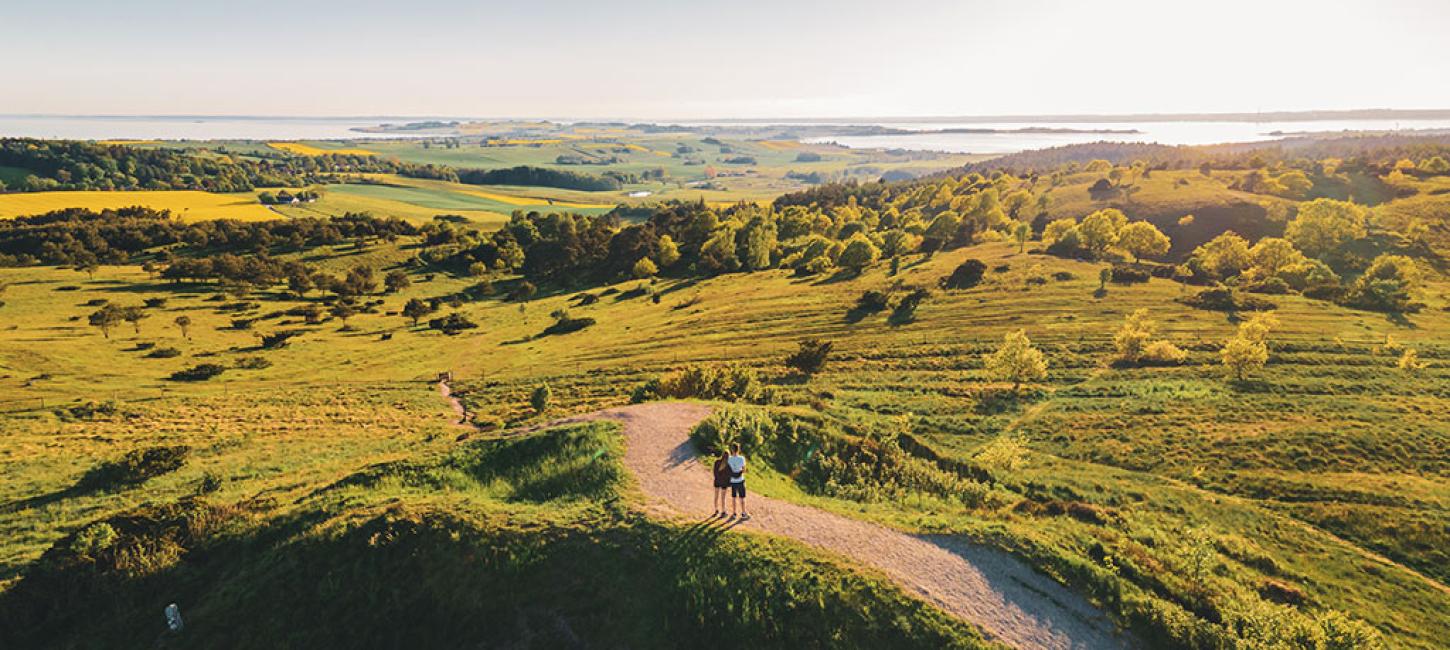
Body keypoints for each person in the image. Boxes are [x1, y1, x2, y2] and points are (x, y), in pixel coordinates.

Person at [727, 442, 748, 519]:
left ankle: (734, 513)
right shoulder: (742, 458)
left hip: (732, 480)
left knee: (733, 497)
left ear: (732, 450)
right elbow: (744, 469)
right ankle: (743, 513)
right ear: (738, 449)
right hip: (740, 480)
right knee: (742, 498)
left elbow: (728, 470)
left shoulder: (729, 459)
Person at [711, 450, 731, 517]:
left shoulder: (717, 462)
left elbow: (714, 472)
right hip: (724, 483)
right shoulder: (728, 465)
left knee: (716, 496)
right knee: (723, 498)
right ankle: (723, 511)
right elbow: (729, 476)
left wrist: (717, 478)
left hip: (717, 481)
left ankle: (716, 510)